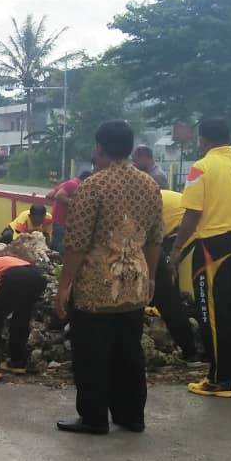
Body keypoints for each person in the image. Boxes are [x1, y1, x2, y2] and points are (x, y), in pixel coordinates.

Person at [54, 120, 163, 435]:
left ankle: (94, 417)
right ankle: (131, 416)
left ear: (99, 148)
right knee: (129, 352)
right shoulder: (150, 185)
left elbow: (76, 243)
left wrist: (64, 287)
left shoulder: (94, 186)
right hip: (135, 280)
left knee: (92, 352)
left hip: (97, 284)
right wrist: (152, 277)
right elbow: (156, 238)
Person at [170, 118, 231, 399]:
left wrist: (176, 250)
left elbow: (192, 214)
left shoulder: (202, 167)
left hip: (214, 247)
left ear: (203, 140)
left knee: (211, 314)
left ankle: (219, 380)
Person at [153, 188, 201, 361]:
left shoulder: (132, 201)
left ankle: (190, 352)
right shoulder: (140, 192)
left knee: (165, 293)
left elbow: (150, 240)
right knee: (163, 291)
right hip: (175, 231)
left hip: (182, 232)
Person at [45, 169, 91, 252]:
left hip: (58, 217)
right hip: (62, 219)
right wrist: (76, 203)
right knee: (60, 245)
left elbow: (50, 195)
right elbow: (59, 196)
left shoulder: (68, 183)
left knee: (56, 241)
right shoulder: (74, 184)